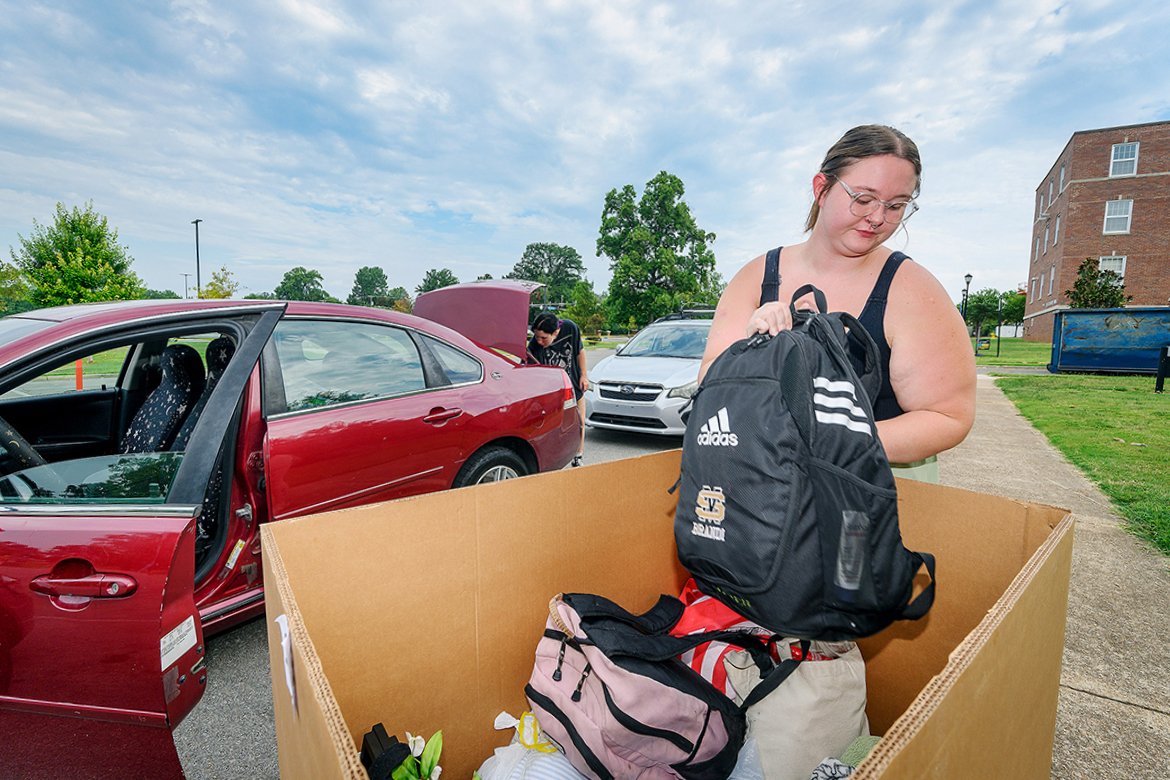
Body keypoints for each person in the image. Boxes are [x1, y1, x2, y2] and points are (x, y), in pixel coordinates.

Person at [700, 124, 975, 482]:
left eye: (896, 206)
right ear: (822, 189)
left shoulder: (914, 291)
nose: (878, 218)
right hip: (764, 496)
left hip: (875, 500)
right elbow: (711, 383)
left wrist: (823, 442)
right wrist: (752, 350)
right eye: (863, 199)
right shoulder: (756, 277)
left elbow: (948, 416)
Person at [528, 312, 589, 467]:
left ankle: (578, 457)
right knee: (554, 429)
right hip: (552, 393)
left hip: (573, 386)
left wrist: (584, 375)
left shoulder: (570, 328)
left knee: (580, 421)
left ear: (555, 332)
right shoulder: (535, 345)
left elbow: (579, 351)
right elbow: (528, 366)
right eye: (536, 337)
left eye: (544, 338)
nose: (539, 341)